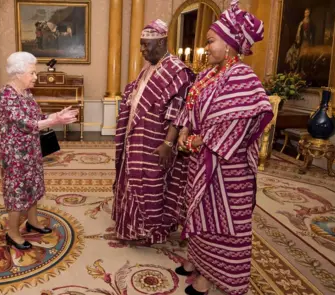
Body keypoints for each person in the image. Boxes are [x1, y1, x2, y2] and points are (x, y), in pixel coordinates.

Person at [172, 1, 273, 294]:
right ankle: (196, 261)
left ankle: (207, 279)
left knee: (220, 223)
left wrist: (192, 141)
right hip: (200, 162)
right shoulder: (207, 75)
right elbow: (191, 109)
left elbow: (233, 128)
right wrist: (185, 130)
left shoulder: (242, 78)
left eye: (210, 41)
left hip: (227, 171)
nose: (206, 48)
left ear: (229, 44)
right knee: (198, 214)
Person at [112, 19, 195, 244]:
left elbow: (180, 111)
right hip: (137, 136)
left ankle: (149, 231)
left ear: (161, 43)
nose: (141, 50)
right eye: (141, 45)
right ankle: (131, 227)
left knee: (150, 184)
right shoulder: (150, 68)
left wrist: (168, 144)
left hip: (156, 140)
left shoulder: (178, 71)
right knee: (132, 179)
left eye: (145, 45)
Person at [0, 52, 78, 249]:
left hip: (31, 149)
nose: (35, 77)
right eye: (32, 73)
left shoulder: (26, 93)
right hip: (14, 154)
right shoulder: (6, 95)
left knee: (32, 186)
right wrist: (54, 121)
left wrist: (55, 115)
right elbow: (24, 124)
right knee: (17, 192)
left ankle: (32, 222)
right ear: (18, 73)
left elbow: (37, 115)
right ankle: (13, 233)